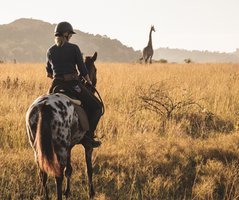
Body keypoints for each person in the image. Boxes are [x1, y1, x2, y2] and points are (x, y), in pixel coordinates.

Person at [45, 21, 102, 148]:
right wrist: (89, 81)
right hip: (73, 85)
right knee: (98, 106)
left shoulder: (49, 51)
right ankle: (89, 137)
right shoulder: (74, 48)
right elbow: (83, 70)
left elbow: (49, 74)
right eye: (70, 34)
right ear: (66, 34)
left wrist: (59, 77)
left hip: (54, 86)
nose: (70, 37)